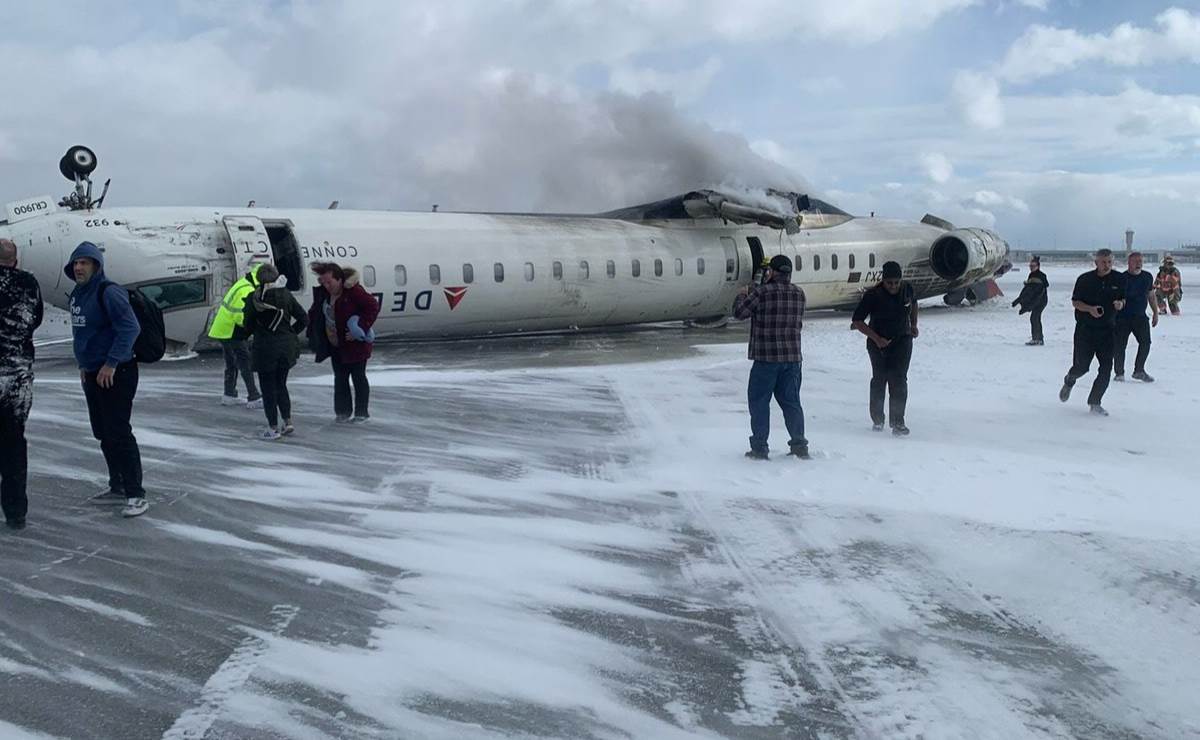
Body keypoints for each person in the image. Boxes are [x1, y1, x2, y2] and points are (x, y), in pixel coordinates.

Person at [65, 242, 149, 517]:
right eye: (76, 263)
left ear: (97, 266)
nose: (79, 268)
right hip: (91, 372)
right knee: (102, 431)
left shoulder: (109, 292)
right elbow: (84, 334)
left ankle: (136, 493)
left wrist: (111, 363)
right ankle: (118, 485)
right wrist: (84, 365)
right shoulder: (78, 294)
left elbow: (130, 328)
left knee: (118, 431)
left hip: (116, 372)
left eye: (85, 263)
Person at [732, 254, 808, 460]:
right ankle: (799, 444)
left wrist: (742, 294)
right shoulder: (799, 294)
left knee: (759, 403)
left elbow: (739, 313)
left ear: (772, 272)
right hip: (792, 359)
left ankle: (759, 447)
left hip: (766, 359)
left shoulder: (762, 293)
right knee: (792, 403)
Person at [0, 239, 43, 530]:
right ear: (16, 259)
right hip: (17, 375)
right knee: (14, 443)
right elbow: (35, 319)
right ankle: (16, 512)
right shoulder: (28, 283)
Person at [307, 262, 380, 422]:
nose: (326, 286)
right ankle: (342, 412)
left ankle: (361, 413)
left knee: (358, 376)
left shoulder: (354, 292)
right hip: (335, 345)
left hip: (355, 345)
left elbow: (373, 306)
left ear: (339, 279)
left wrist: (359, 329)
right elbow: (315, 312)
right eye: (323, 282)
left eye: (329, 282)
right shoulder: (324, 294)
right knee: (340, 378)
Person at [852, 261, 918, 436]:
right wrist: (876, 338)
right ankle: (878, 419)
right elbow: (857, 321)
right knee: (880, 380)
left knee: (899, 380)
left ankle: (898, 422)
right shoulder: (873, 295)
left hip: (902, 340)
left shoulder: (907, 289)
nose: (893, 286)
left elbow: (913, 305)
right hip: (878, 343)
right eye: (890, 283)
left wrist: (913, 325)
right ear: (883, 280)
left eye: (896, 282)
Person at [1058, 249, 1126, 416]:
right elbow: (1075, 302)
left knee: (1106, 368)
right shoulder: (1085, 280)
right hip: (1085, 330)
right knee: (1082, 367)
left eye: (1109, 262)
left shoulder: (1119, 279)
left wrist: (1120, 304)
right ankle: (1070, 379)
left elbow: (1123, 299)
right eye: (1103, 262)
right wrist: (1089, 309)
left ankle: (1095, 402)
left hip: (1108, 330)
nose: (1107, 265)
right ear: (1096, 262)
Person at [243, 264, 307, 439]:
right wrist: (291, 333)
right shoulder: (286, 295)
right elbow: (303, 318)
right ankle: (287, 421)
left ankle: (272, 427)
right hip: (286, 348)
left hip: (265, 348)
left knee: (268, 388)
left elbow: (247, 324)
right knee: (281, 385)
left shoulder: (254, 298)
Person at [207, 263, 265, 408]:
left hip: (223, 328)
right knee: (244, 362)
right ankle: (254, 396)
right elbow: (240, 316)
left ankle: (229, 394)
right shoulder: (247, 291)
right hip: (233, 331)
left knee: (231, 363)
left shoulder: (243, 283)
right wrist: (253, 328)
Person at [1113, 251, 1157, 383]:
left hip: (1140, 317)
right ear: (1129, 263)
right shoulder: (1121, 278)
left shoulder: (1147, 277)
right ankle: (1119, 373)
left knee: (1145, 343)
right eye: (1135, 261)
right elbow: (1115, 298)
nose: (1138, 264)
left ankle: (1139, 370)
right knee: (1120, 346)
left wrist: (1155, 312)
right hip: (1122, 318)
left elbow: (1151, 295)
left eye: (1140, 261)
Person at [1011, 256, 1049, 345]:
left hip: (1041, 301)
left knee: (1035, 318)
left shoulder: (1041, 276)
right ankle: (1038, 338)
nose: (1031, 267)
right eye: (1030, 266)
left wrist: (1031, 304)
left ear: (1038, 266)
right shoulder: (1031, 275)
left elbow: (1039, 291)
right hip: (1036, 300)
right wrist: (1019, 300)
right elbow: (1028, 290)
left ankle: (1037, 339)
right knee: (1035, 318)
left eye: (1033, 266)